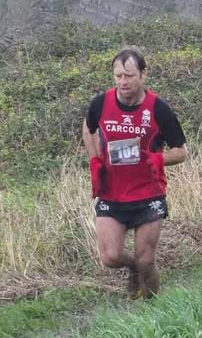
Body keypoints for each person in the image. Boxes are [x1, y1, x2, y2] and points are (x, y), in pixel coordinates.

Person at [81, 47, 188, 298]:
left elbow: (181, 152)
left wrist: (156, 159)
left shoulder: (158, 108)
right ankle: (132, 270)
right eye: (118, 76)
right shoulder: (101, 102)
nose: (122, 82)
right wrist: (95, 160)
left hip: (148, 194)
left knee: (146, 260)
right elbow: (88, 129)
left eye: (129, 76)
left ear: (143, 74)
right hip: (112, 193)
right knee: (110, 257)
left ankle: (151, 311)